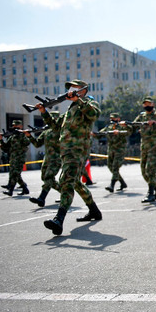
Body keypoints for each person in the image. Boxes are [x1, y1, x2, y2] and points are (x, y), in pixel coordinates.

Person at [38, 80, 103, 235]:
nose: (71, 90)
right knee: (74, 182)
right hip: (66, 150)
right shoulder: (70, 109)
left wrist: (78, 100)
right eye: (70, 88)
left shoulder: (89, 102)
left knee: (66, 181)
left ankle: (58, 219)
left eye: (74, 88)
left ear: (83, 90)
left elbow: (94, 115)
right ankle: (94, 210)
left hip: (78, 149)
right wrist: (43, 112)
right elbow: (55, 126)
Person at [132, 97, 156, 203]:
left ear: (153, 104)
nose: (147, 105)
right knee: (144, 171)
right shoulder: (142, 116)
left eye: (149, 103)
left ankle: (151, 193)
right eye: (145, 104)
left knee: (150, 170)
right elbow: (134, 126)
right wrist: (126, 125)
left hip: (155, 146)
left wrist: (155, 122)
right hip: (144, 146)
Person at [26, 112, 62, 206]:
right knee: (45, 178)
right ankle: (64, 192)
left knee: (48, 177)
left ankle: (42, 198)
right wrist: (29, 136)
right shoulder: (46, 131)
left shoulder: (60, 130)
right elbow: (37, 144)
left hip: (56, 158)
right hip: (47, 159)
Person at [96, 113, 133, 192]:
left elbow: (129, 132)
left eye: (114, 118)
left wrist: (119, 131)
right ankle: (122, 183)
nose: (112, 120)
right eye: (111, 118)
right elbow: (100, 134)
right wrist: (93, 134)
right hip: (111, 150)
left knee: (115, 167)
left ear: (118, 119)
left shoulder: (122, 126)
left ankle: (112, 185)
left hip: (120, 150)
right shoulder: (108, 127)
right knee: (110, 167)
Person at [0, 120, 30, 196]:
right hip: (13, 158)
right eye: (14, 126)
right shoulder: (12, 136)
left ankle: (11, 190)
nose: (15, 127)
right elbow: (6, 147)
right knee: (15, 174)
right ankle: (24, 188)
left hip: (20, 158)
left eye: (17, 126)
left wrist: (22, 134)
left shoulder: (23, 135)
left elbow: (27, 143)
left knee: (15, 174)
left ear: (21, 126)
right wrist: (1, 140)